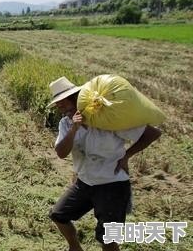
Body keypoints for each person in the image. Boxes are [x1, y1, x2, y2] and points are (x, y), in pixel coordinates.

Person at [47, 77, 162, 251]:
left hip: (112, 185)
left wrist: (127, 155)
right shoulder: (66, 123)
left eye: (63, 104)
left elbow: (152, 133)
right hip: (84, 183)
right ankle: (74, 247)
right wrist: (74, 129)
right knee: (58, 215)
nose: (60, 109)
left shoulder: (109, 119)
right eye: (58, 105)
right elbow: (61, 153)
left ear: (76, 99)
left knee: (107, 238)